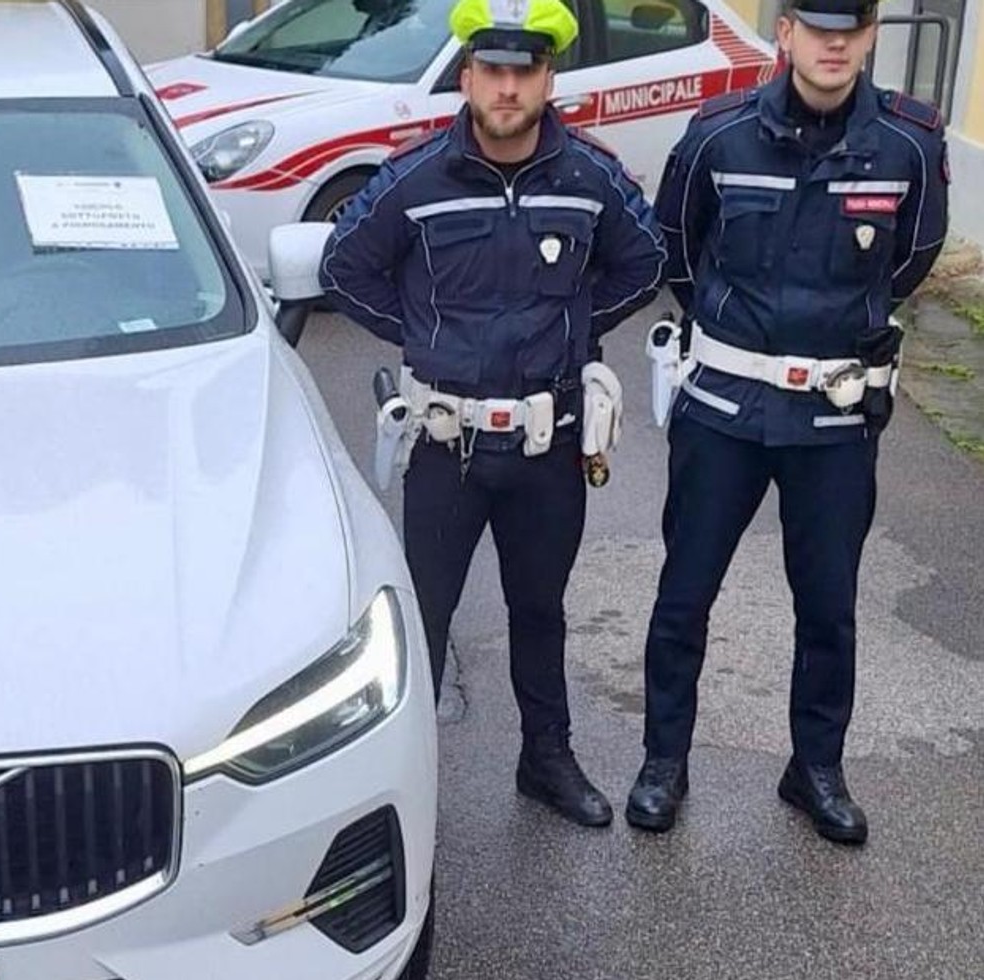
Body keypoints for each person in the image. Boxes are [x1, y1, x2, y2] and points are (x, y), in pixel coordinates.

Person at [320, 0, 666, 827]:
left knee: (540, 612)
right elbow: (342, 268)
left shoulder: (588, 177)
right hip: (450, 448)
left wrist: (571, 332)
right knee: (423, 621)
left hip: (549, 445)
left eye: (525, 71)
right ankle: (402, 786)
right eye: (493, 70)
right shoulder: (415, 179)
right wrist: (427, 338)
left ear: (548, 79)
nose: (509, 88)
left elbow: (646, 260)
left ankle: (546, 760)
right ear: (468, 76)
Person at [625, 0, 948, 844]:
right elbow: (677, 246)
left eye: (851, 29)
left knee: (829, 607)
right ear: (787, 33)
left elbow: (912, 258)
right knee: (684, 596)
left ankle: (816, 769)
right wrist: (737, 330)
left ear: (871, 35)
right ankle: (664, 762)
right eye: (818, 27)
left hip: (834, 418)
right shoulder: (719, 134)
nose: (834, 44)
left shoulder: (910, 144)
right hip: (724, 411)